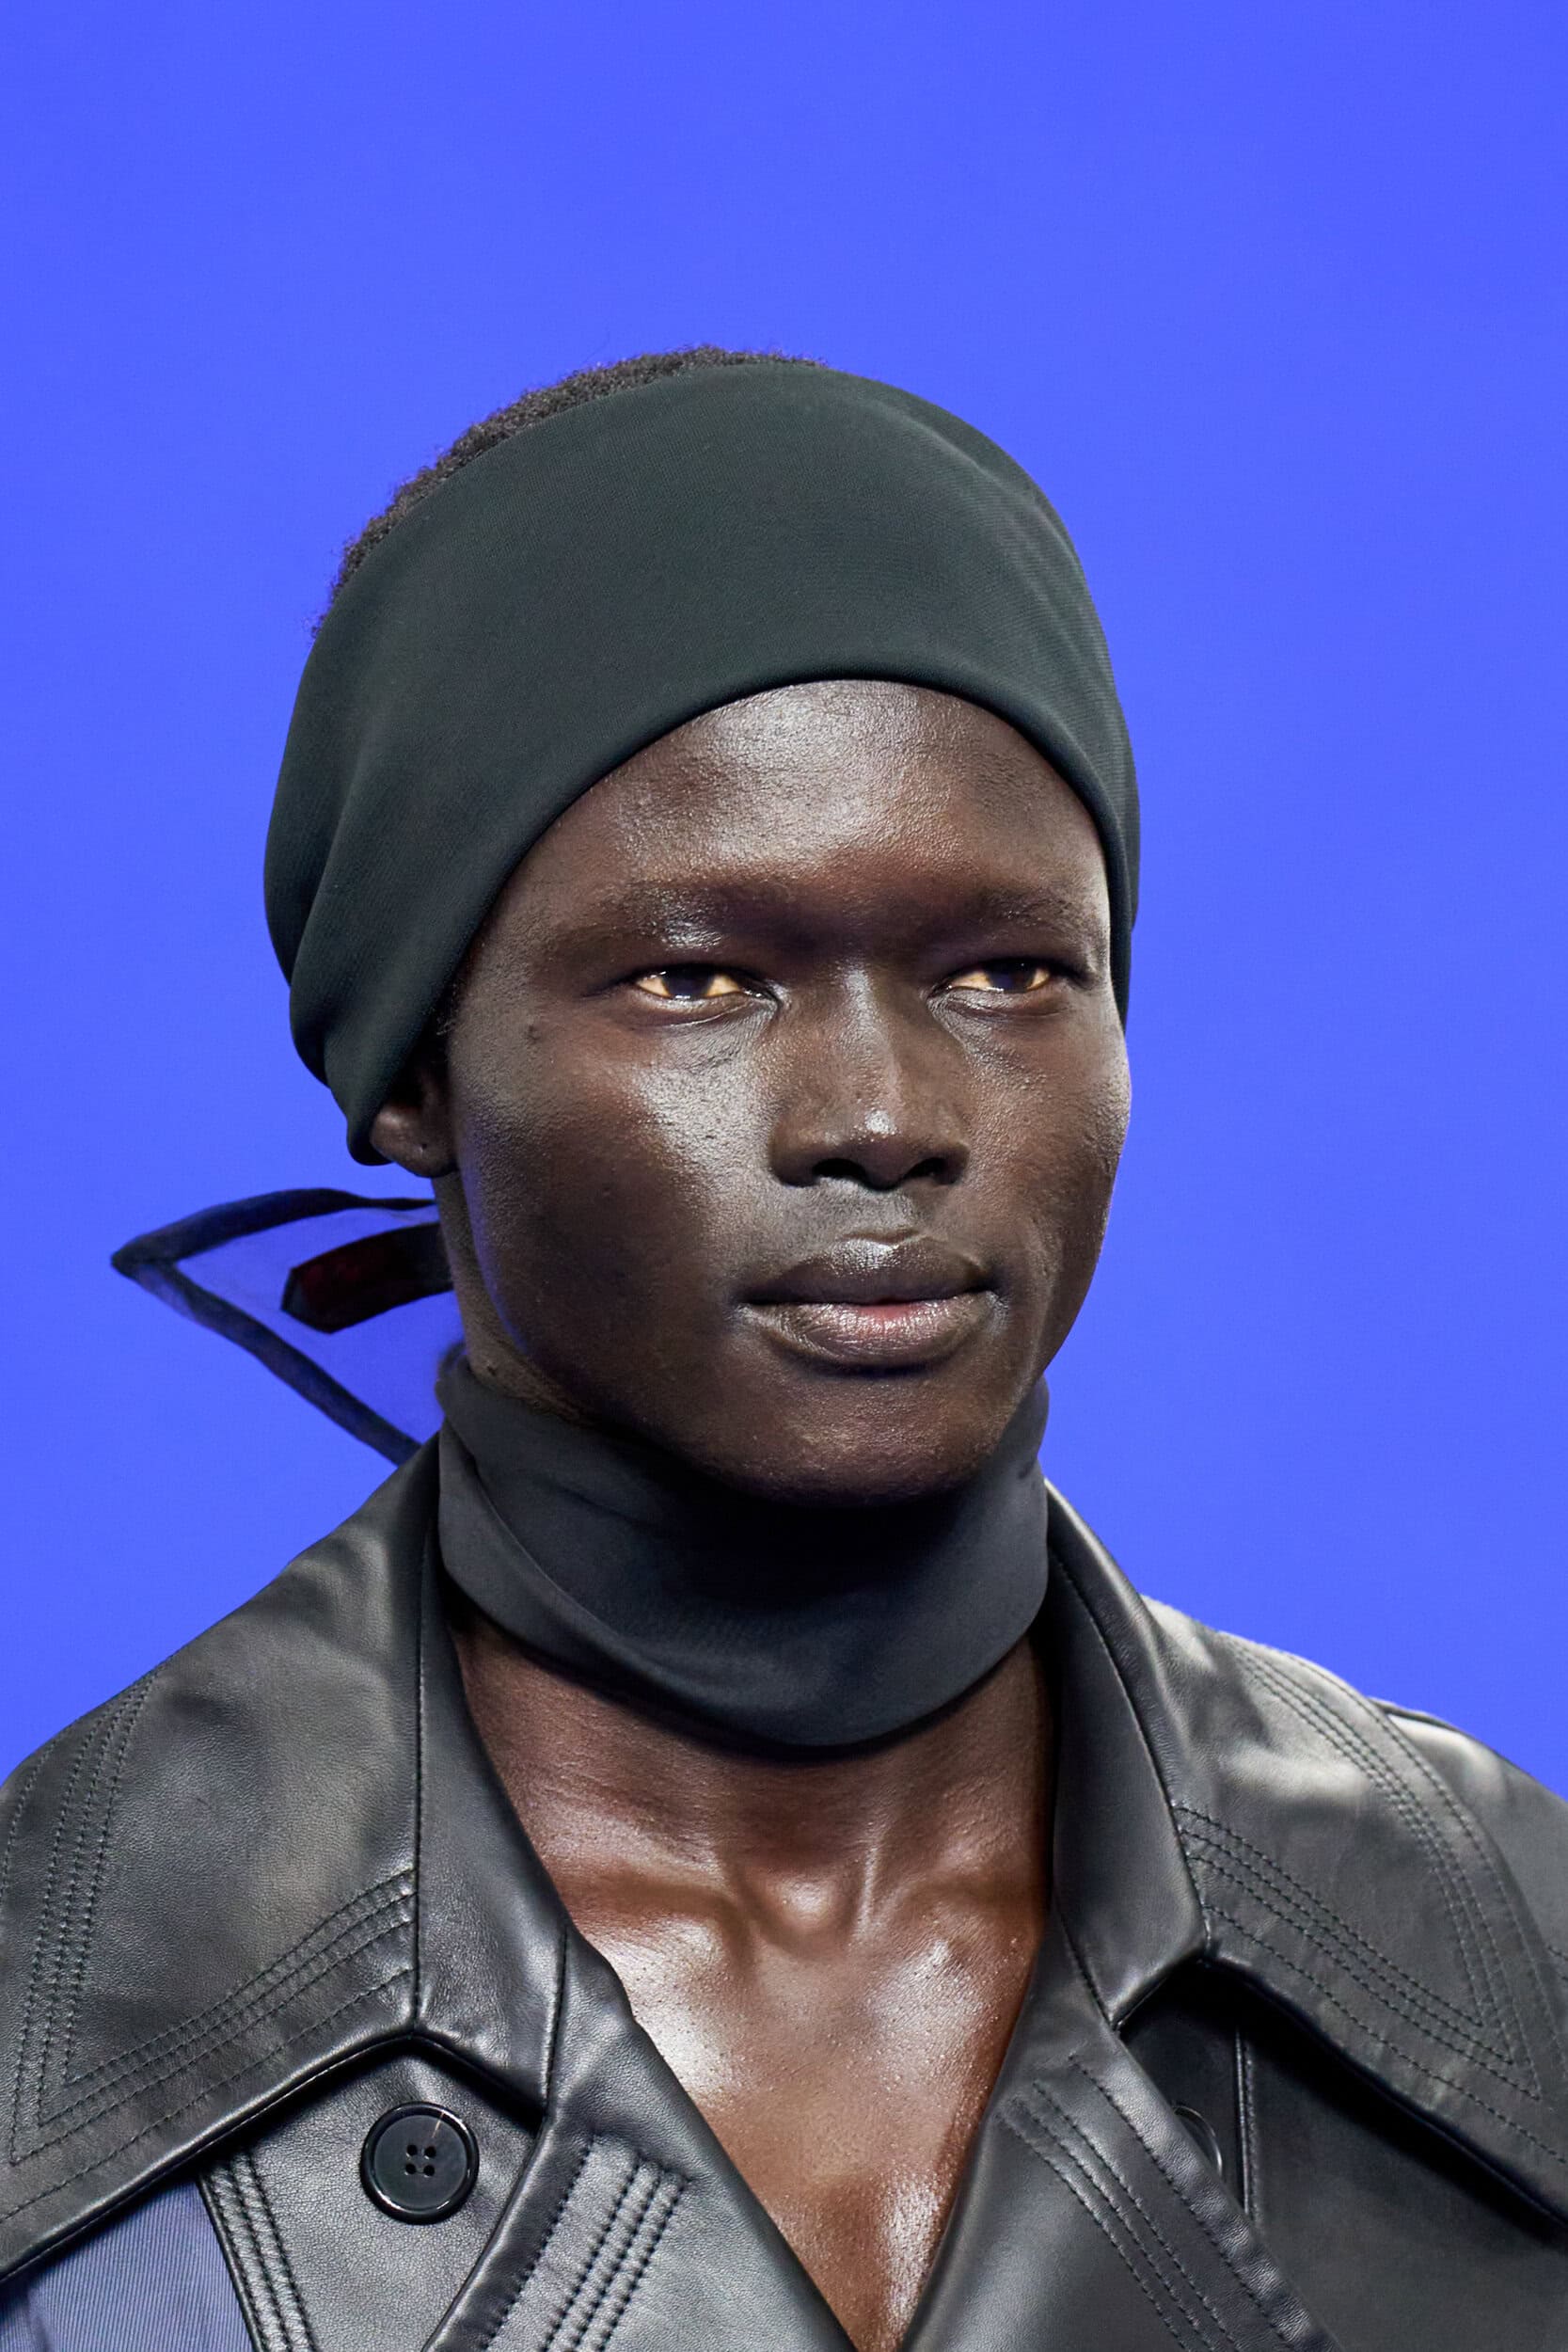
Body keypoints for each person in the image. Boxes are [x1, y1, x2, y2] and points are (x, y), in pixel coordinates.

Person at [1, 349, 1564, 2352]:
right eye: (700, 978)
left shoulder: (1511, 1956)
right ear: (410, 1067)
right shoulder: (58, 2029)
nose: (883, 1114)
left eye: (1010, 971)